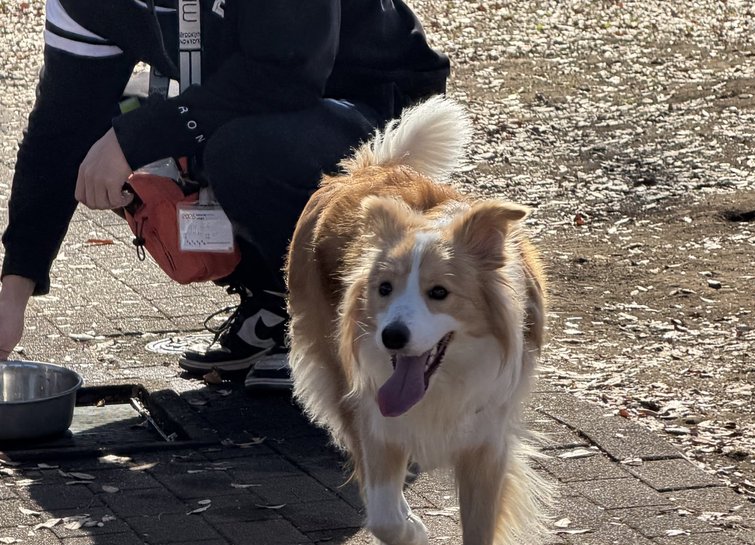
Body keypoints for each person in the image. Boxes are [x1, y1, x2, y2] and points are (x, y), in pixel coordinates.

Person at [0, 0, 449, 389]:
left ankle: (343, 325)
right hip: (256, 102)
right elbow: (61, 128)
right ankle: (274, 301)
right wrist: (12, 292)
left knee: (234, 150)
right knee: (111, 130)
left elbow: (288, 73)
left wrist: (135, 139)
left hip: (372, 109)